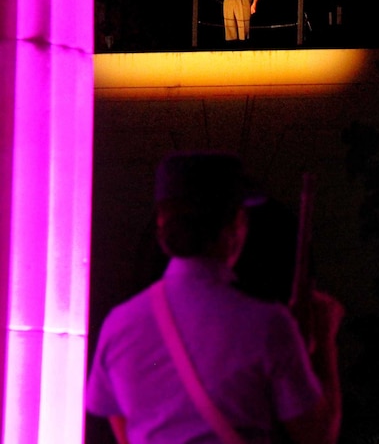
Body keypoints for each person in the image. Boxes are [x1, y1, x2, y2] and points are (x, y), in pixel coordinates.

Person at [86, 151, 343, 444]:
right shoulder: (268, 325)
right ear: (235, 225)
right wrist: (323, 339)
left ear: (162, 224)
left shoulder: (119, 324)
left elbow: (123, 426)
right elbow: (318, 435)